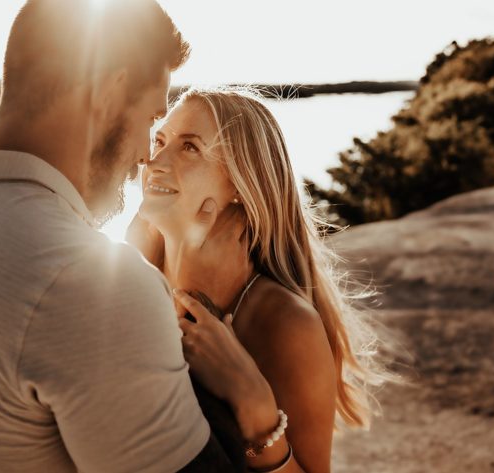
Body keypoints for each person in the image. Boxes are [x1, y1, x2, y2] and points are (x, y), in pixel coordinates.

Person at [0, 1, 241, 470]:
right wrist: (245, 404)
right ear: (110, 91)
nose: (144, 157)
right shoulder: (83, 280)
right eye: (151, 119)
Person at [126, 87, 384, 473]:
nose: (155, 160)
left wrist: (254, 405)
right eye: (160, 140)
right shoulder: (129, 273)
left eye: (190, 147)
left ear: (239, 186)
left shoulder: (285, 323)